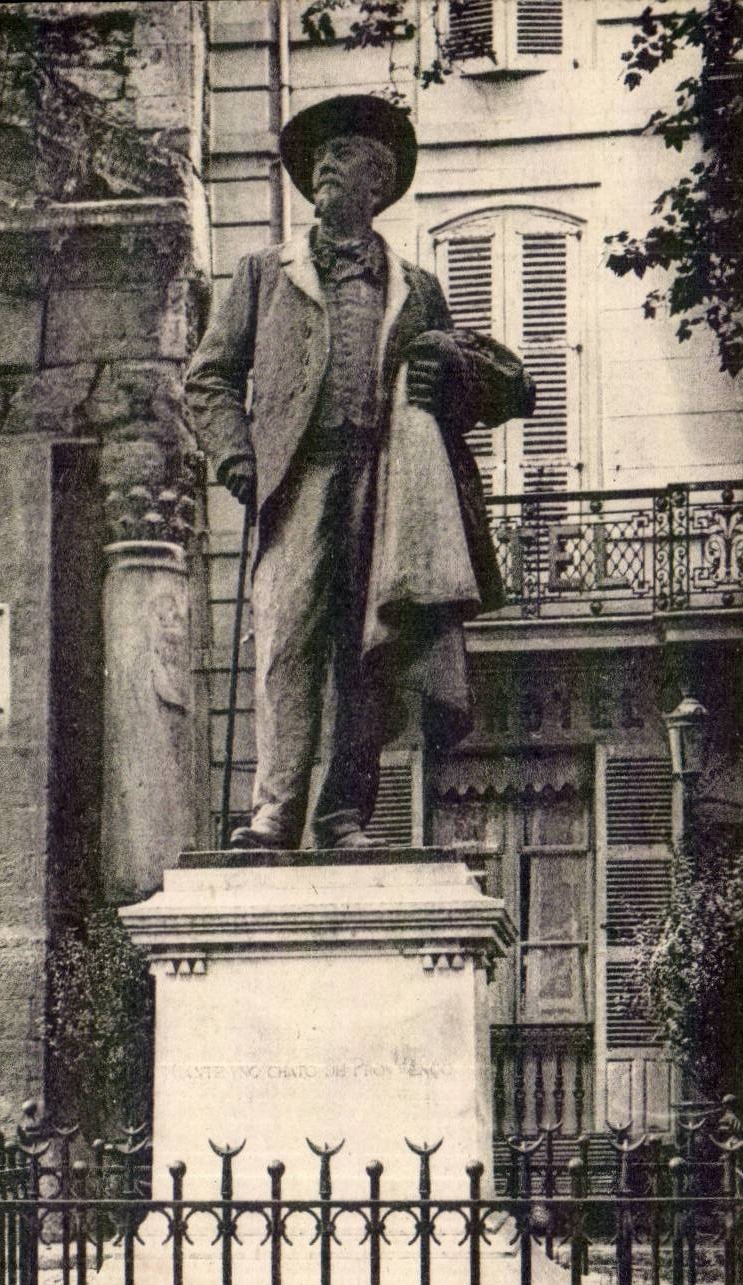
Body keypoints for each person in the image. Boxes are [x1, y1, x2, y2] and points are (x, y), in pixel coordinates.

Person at [186, 94, 534, 851]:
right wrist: (236, 452)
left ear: (378, 183)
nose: (324, 168)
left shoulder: (418, 286)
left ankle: (343, 812)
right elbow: (208, 378)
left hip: (389, 483)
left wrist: (453, 369)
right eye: (318, 160)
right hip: (298, 479)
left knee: (364, 649)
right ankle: (274, 810)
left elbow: (480, 392)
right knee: (285, 637)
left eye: (342, 157)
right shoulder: (261, 273)